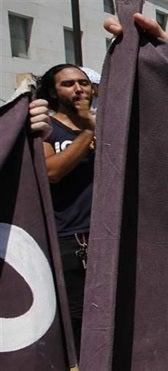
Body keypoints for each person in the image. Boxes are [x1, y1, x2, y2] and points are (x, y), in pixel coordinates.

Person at [36, 63, 96, 353]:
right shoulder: (44, 130)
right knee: (78, 317)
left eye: (83, 83)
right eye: (69, 83)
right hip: (70, 239)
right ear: (52, 92)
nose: (79, 89)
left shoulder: (106, 125)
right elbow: (51, 172)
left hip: (106, 235)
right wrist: (88, 132)